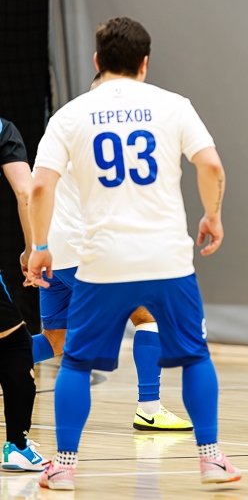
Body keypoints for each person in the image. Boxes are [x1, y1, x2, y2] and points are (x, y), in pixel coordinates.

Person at [27, 17, 240, 490]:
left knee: (75, 362)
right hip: (167, 257)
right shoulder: (173, 105)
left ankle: (64, 466)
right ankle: (210, 459)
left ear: (97, 60)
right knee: (194, 356)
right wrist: (213, 216)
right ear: (144, 63)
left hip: (101, 260)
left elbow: (40, 187)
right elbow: (210, 164)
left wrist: (40, 246)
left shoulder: (69, 115)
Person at [29, 73, 192, 433]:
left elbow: (37, 190)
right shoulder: (106, 133)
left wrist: (35, 246)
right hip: (86, 250)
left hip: (53, 249)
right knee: (148, 317)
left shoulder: (63, 126)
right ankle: (149, 408)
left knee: (55, 339)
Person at [0, 117, 48, 471]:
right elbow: (26, 191)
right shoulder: (3, 129)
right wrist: (34, 248)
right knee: (16, 345)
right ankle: (17, 445)